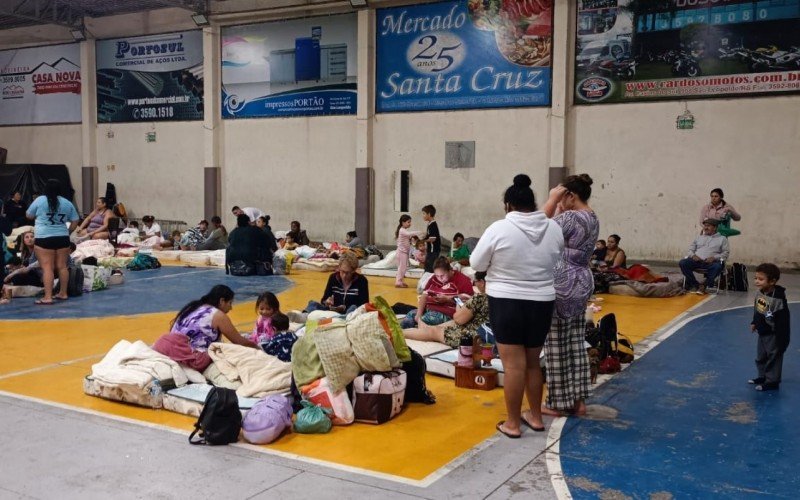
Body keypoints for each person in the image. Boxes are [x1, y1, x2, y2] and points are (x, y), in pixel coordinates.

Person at [470, 174, 564, 438]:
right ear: (533, 203)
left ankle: (512, 423)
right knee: (533, 363)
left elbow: (477, 263)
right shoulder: (553, 228)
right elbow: (556, 257)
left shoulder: (498, 229)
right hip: (542, 302)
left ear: (508, 205)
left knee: (513, 366)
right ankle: (535, 416)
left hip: (507, 302)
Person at [541, 174, 599, 417]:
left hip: (563, 282)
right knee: (575, 343)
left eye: (562, 197)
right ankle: (578, 401)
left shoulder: (570, 217)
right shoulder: (592, 216)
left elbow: (537, 227)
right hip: (583, 280)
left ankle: (557, 402)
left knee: (555, 345)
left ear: (570, 196)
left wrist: (552, 198)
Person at [25, 179, 79, 304]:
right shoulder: (67, 202)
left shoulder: (40, 200)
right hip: (62, 238)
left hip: (44, 238)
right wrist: (68, 232)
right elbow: (75, 220)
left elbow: (28, 215)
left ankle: (48, 297)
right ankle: (63, 293)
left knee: (47, 268)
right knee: (62, 266)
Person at [404, 273, 488, 348]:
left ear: (482, 282)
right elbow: (424, 295)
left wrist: (458, 303)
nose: (475, 284)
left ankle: (399, 334)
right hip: (480, 327)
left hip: (474, 335)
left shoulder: (479, 297)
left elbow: (458, 319)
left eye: (476, 281)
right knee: (416, 317)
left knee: (433, 329)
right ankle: (424, 329)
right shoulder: (493, 297)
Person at [170, 285, 258, 352]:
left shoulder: (194, 307)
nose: (231, 308)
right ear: (222, 301)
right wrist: (259, 348)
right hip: (190, 355)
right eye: (230, 303)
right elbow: (240, 342)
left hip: (172, 348)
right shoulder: (218, 315)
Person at [749, 263, 790, 392]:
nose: (757, 281)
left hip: (773, 333)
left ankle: (772, 381)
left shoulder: (778, 299)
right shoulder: (760, 293)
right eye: (755, 278)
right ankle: (762, 376)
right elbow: (758, 310)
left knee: (773, 357)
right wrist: (754, 322)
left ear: (772, 281)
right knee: (761, 356)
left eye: (761, 279)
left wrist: (781, 339)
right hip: (762, 332)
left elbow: (783, 320)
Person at [412, 257, 474, 326]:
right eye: (437, 276)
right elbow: (424, 295)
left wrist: (448, 299)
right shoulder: (434, 279)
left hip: (447, 314)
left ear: (450, 270)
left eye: (442, 275)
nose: (440, 279)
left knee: (424, 320)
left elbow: (465, 304)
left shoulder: (462, 281)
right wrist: (419, 314)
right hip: (430, 309)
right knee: (408, 319)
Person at [678, 218, 730, 294]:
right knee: (683, 263)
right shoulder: (699, 237)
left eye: (708, 226)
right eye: (704, 226)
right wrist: (693, 256)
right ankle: (696, 285)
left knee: (717, 267)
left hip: (712, 263)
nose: (705, 228)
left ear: (715, 227)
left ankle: (704, 285)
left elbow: (726, 253)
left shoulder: (722, 239)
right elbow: (690, 250)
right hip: (697, 261)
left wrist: (714, 258)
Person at [394, 214, 425, 288]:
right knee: (402, 268)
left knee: (403, 268)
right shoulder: (402, 230)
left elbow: (409, 236)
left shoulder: (403, 230)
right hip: (401, 252)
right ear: (403, 222)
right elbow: (409, 234)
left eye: (410, 222)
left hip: (403, 252)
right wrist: (419, 232)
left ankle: (400, 281)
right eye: (408, 222)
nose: (410, 224)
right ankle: (398, 282)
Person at [422, 205, 440, 273]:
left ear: (429, 214)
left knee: (430, 269)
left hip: (433, 251)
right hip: (431, 251)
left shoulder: (432, 225)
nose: (423, 215)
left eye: (424, 213)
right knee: (427, 267)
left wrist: (422, 240)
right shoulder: (430, 224)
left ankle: (429, 282)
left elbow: (433, 239)